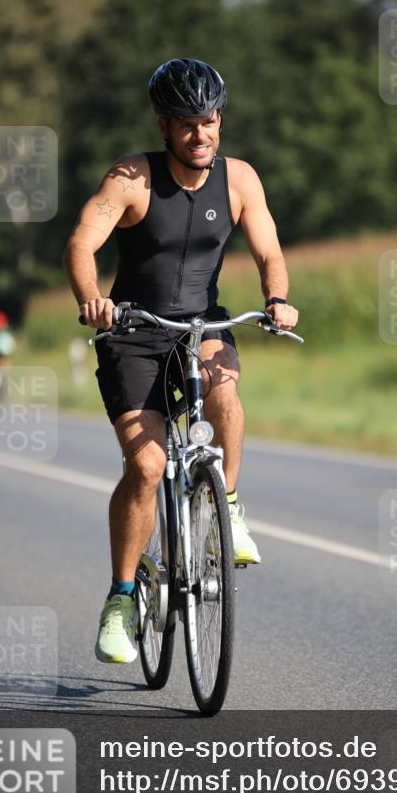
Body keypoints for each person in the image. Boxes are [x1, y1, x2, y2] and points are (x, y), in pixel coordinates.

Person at [63, 57, 298, 665]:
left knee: (226, 398)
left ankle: (232, 508)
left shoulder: (241, 179)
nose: (202, 133)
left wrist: (277, 300)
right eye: (189, 123)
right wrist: (93, 299)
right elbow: (83, 241)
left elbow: (269, 249)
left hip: (202, 325)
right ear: (164, 125)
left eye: (211, 120)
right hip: (134, 331)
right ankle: (120, 597)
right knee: (145, 466)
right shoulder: (131, 178)